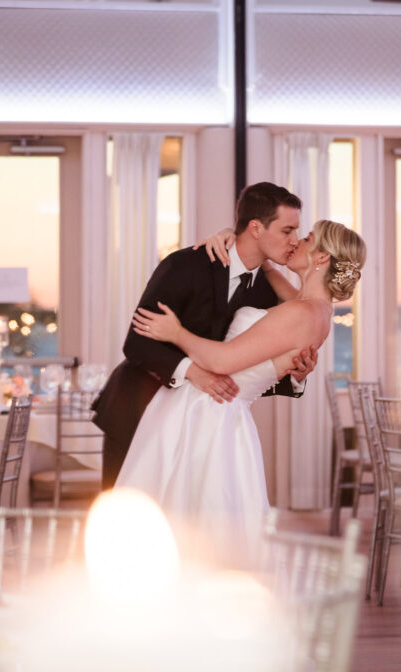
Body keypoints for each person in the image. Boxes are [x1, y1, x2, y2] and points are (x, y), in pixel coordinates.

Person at [115, 219, 366, 551]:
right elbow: (269, 270)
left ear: (321, 258)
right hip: (220, 417)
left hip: (205, 415)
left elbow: (221, 362)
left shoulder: (303, 313)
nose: (295, 243)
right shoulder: (311, 306)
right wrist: (233, 239)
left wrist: (176, 333)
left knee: (183, 526)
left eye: (306, 239)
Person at [92, 182, 319, 490]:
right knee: (125, 516)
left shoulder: (269, 292)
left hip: (199, 427)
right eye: (286, 230)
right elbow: (137, 343)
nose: (294, 241)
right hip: (137, 407)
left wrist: (294, 376)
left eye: (297, 232)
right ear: (255, 227)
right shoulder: (186, 265)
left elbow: (246, 370)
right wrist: (194, 373)